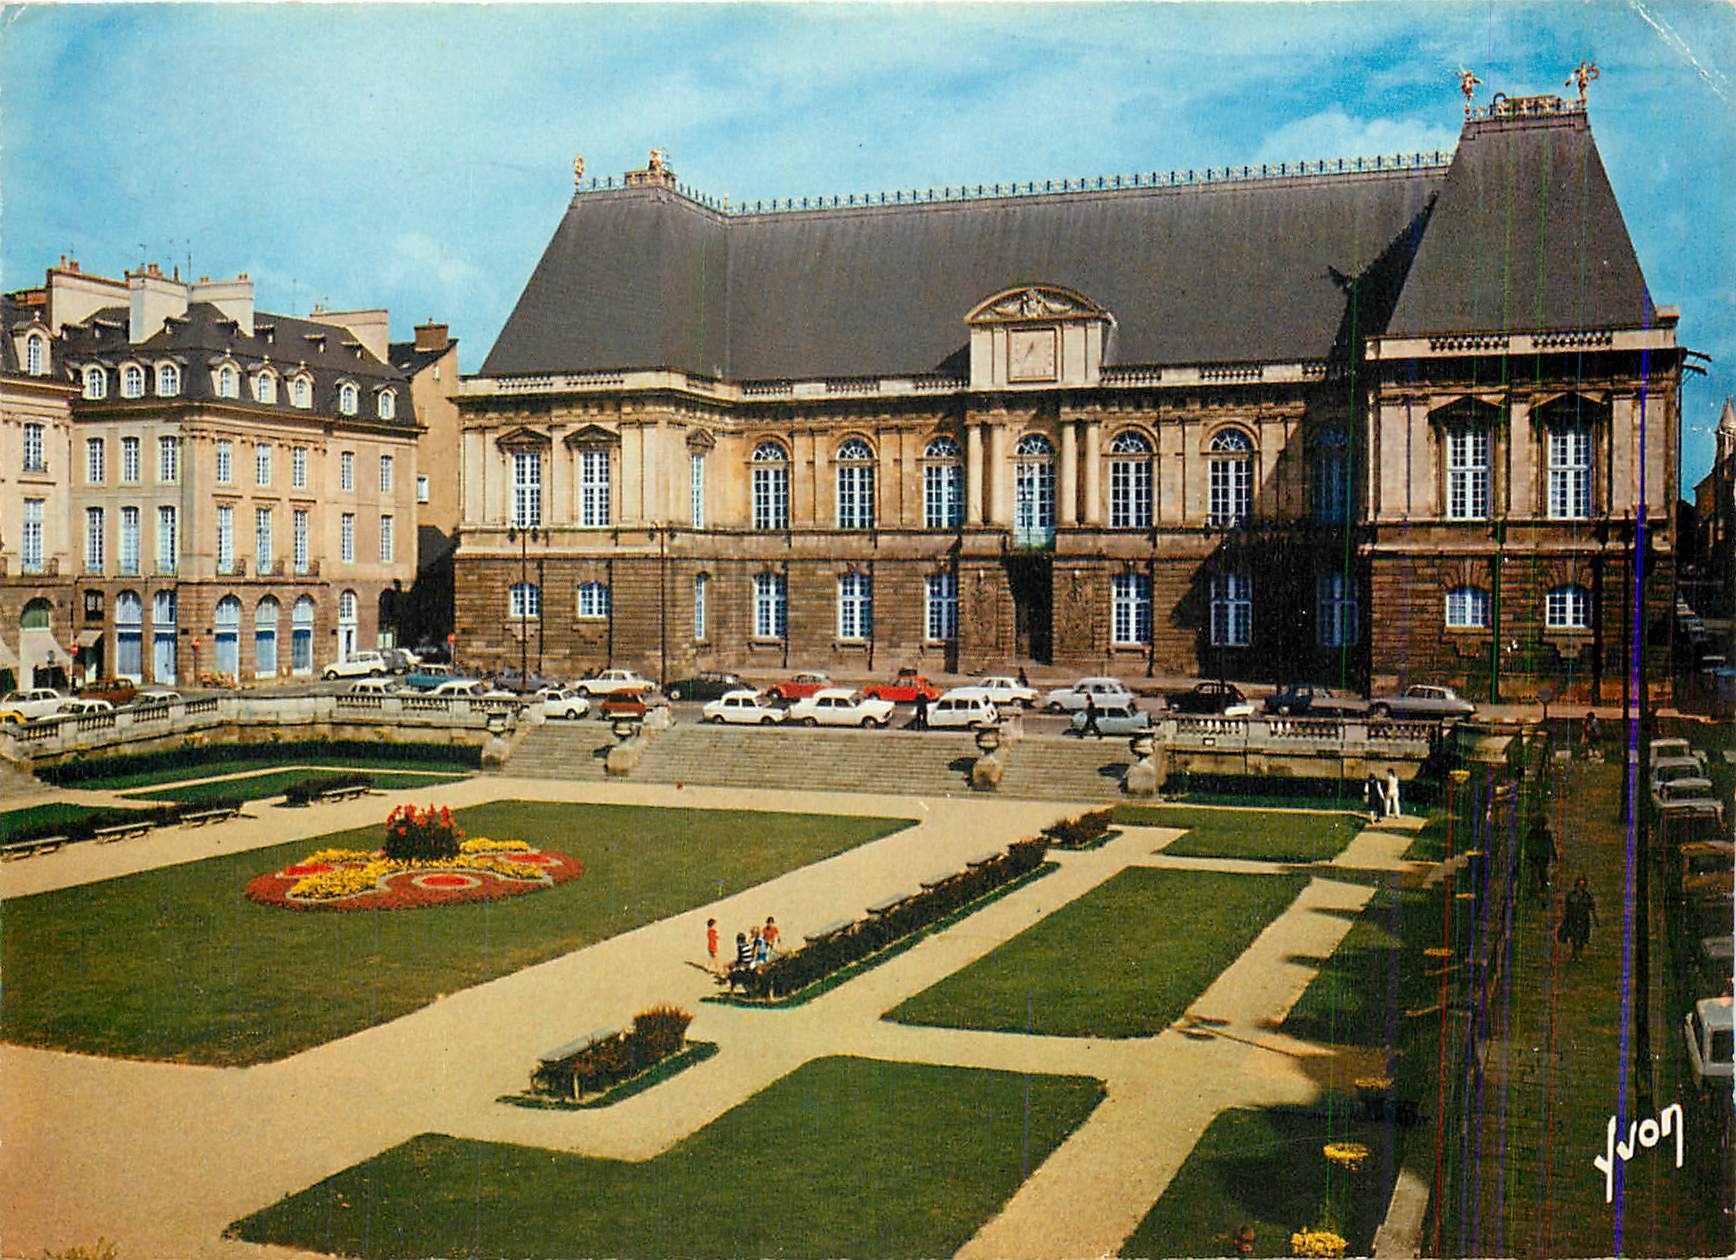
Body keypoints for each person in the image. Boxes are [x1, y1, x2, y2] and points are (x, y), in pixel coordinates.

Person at [1558, 876, 1599, 960]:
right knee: (1574, 937)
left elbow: (1592, 907)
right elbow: (1567, 907)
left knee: (1581, 938)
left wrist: (1595, 919)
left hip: (1583, 919)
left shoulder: (1587, 896)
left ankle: (1579, 954)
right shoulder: (1571, 895)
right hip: (1573, 918)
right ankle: (1573, 954)